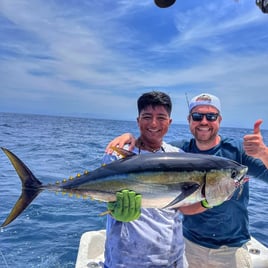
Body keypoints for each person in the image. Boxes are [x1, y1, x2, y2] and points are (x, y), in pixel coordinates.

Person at [105, 93, 268, 268]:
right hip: (189, 246)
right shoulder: (180, 152)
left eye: (211, 116)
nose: (204, 122)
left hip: (229, 251)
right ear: (189, 120)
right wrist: (130, 137)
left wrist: (263, 153)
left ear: (219, 119)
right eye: (197, 116)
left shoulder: (238, 153)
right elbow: (151, 150)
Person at [102, 91, 188, 268]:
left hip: (173, 259)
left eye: (161, 117)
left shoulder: (178, 156)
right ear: (138, 120)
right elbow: (104, 195)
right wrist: (114, 210)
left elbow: (183, 205)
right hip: (125, 261)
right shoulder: (116, 155)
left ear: (170, 122)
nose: (154, 123)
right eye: (147, 116)